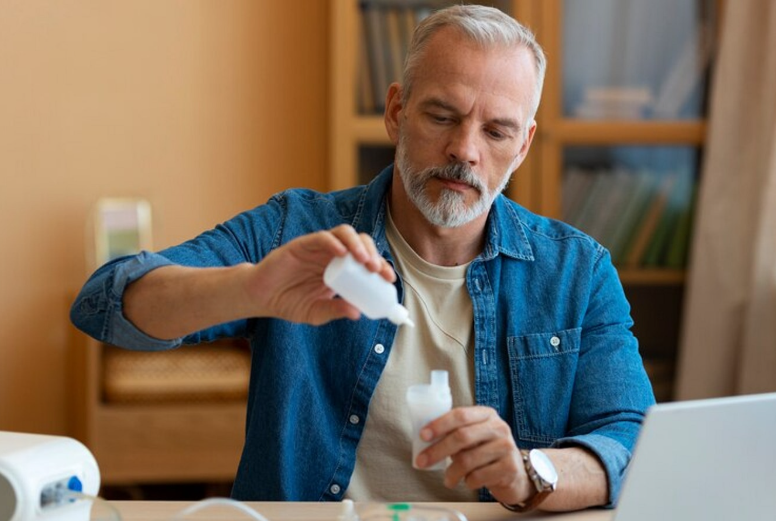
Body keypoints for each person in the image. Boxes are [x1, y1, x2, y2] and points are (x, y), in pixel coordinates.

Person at [71, 4, 654, 512]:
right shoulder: (296, 230)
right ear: (397, 111)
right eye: (442, 116)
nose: (465, 151)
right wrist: (252, 289)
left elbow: (633, 442)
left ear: (523, 145)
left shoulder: (578, 272)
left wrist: (530, 474)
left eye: (497, 132)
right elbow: (108, 301)